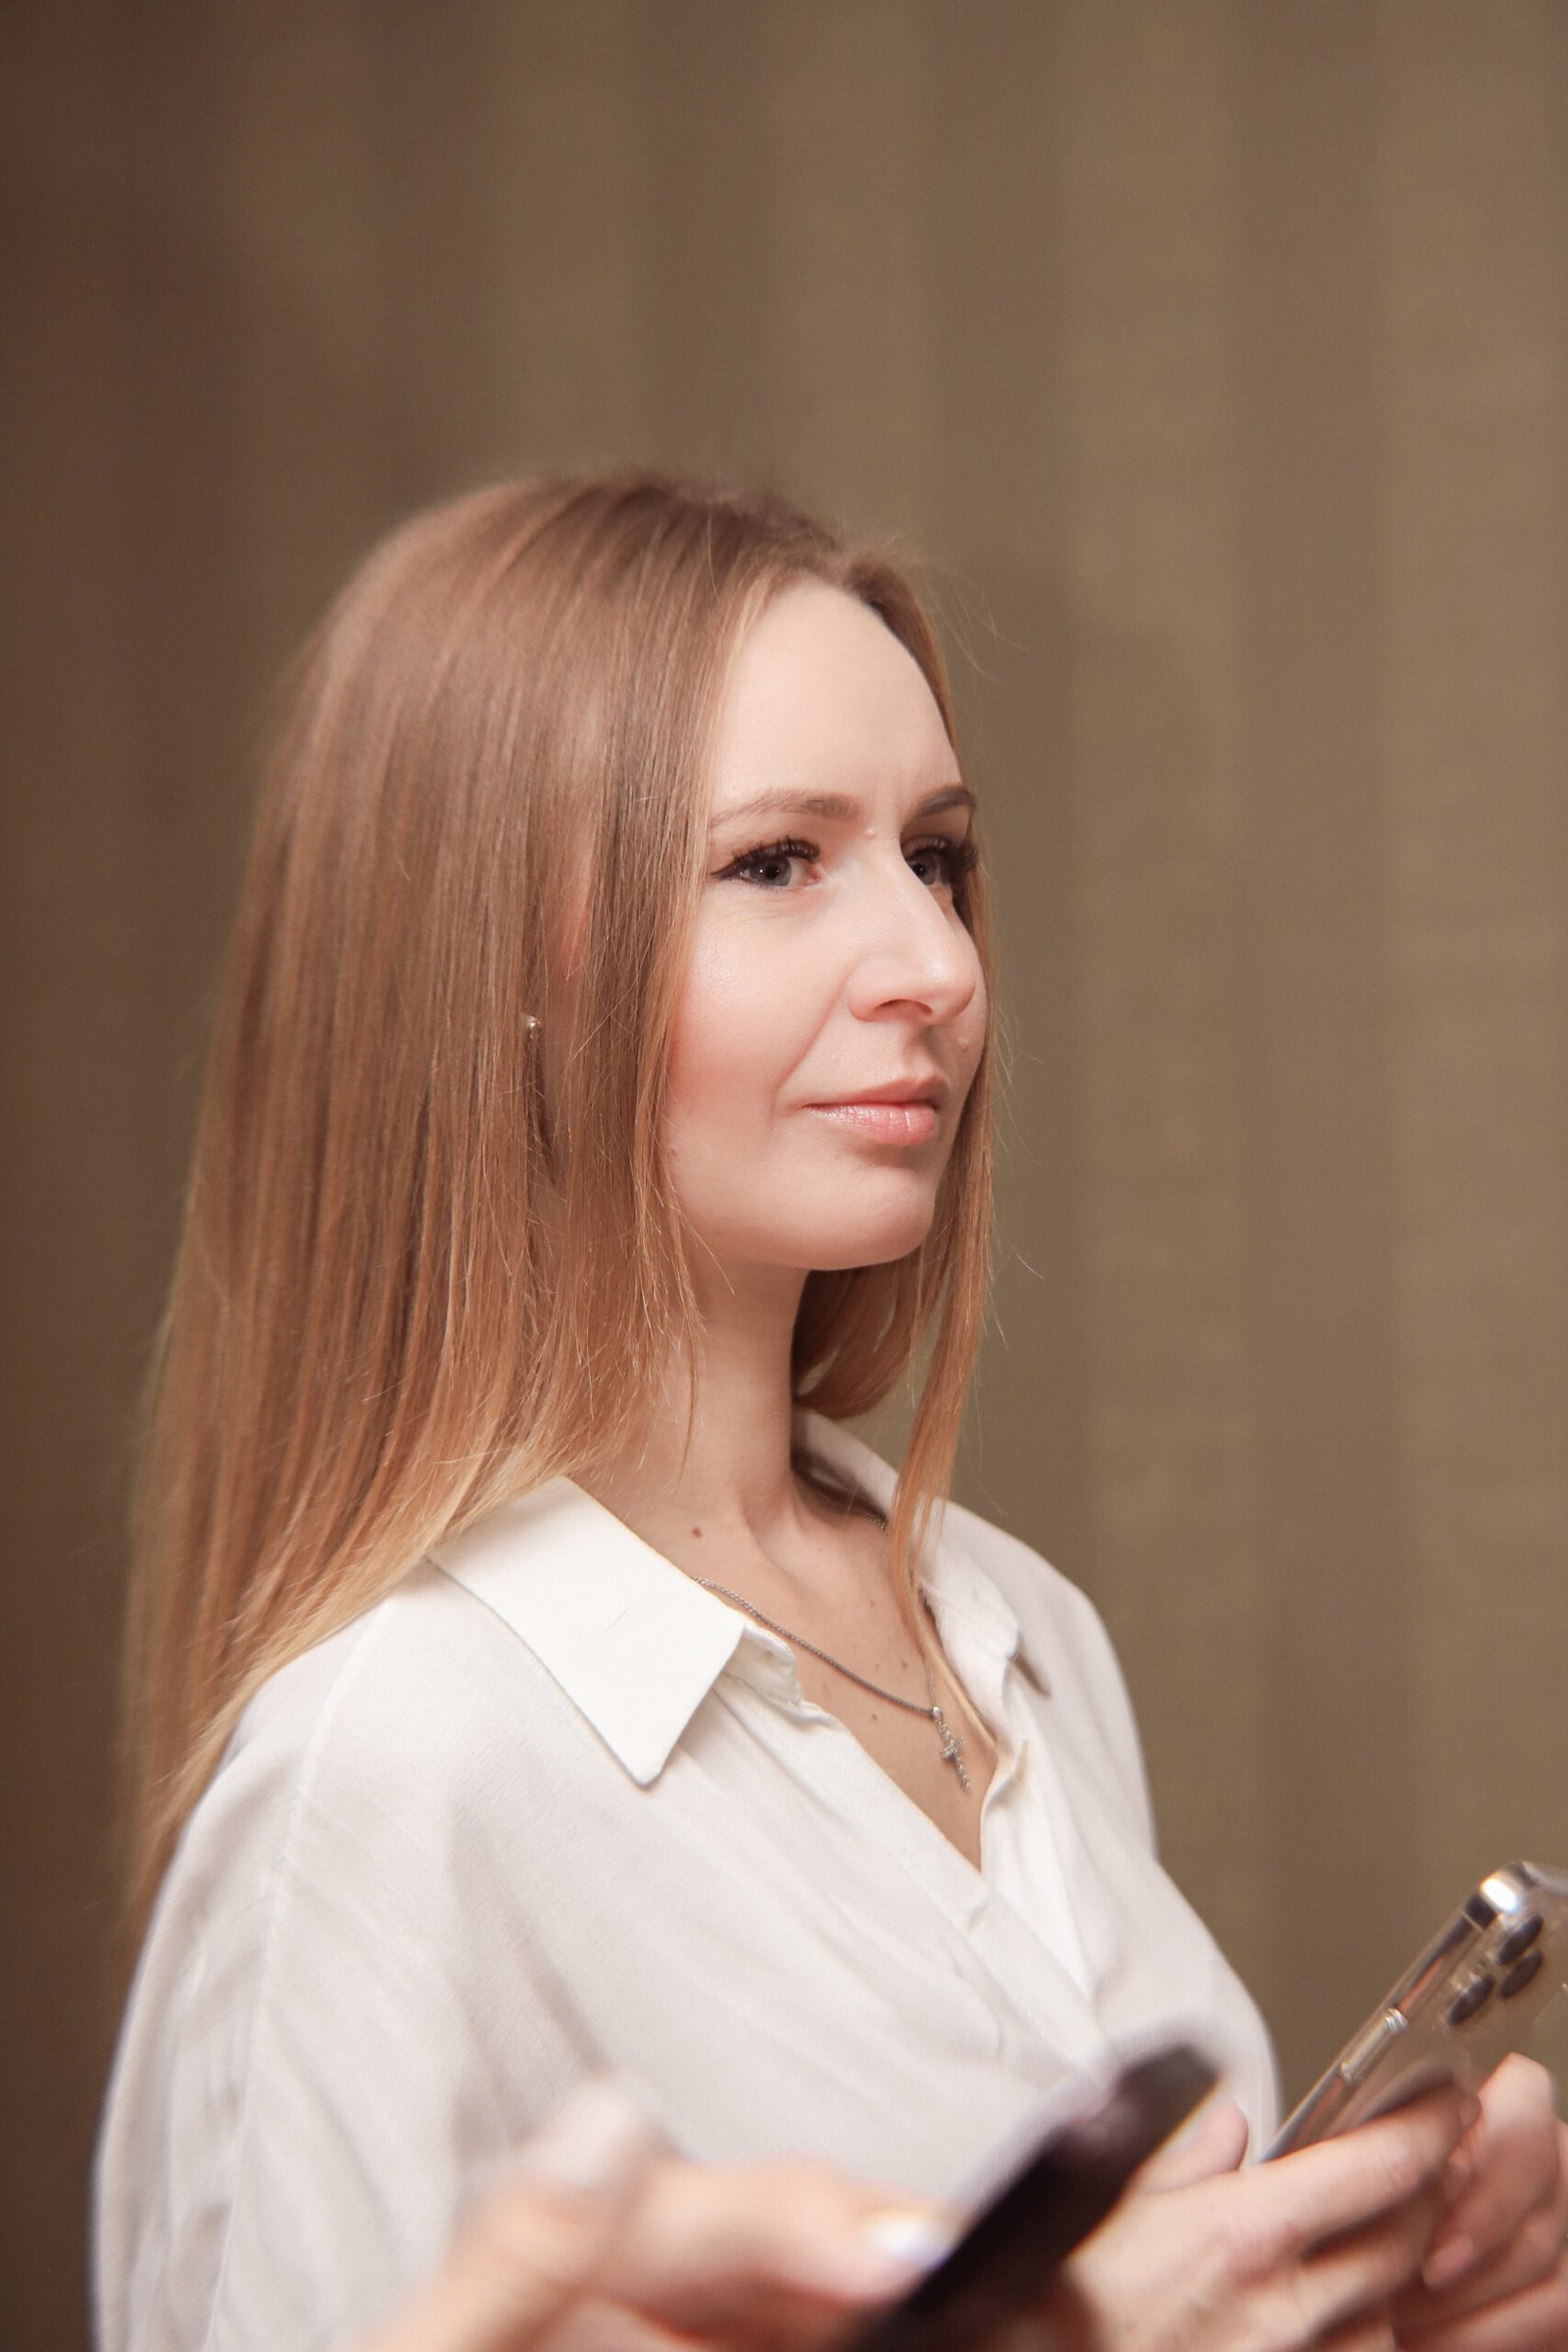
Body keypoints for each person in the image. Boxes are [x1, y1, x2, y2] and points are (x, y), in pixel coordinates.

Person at [96, 476, 1567, 2352]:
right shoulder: (386, 1777)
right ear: (496, 965)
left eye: (937, 857)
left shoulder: (1020, 1638)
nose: (940, 968)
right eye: (780, 862)